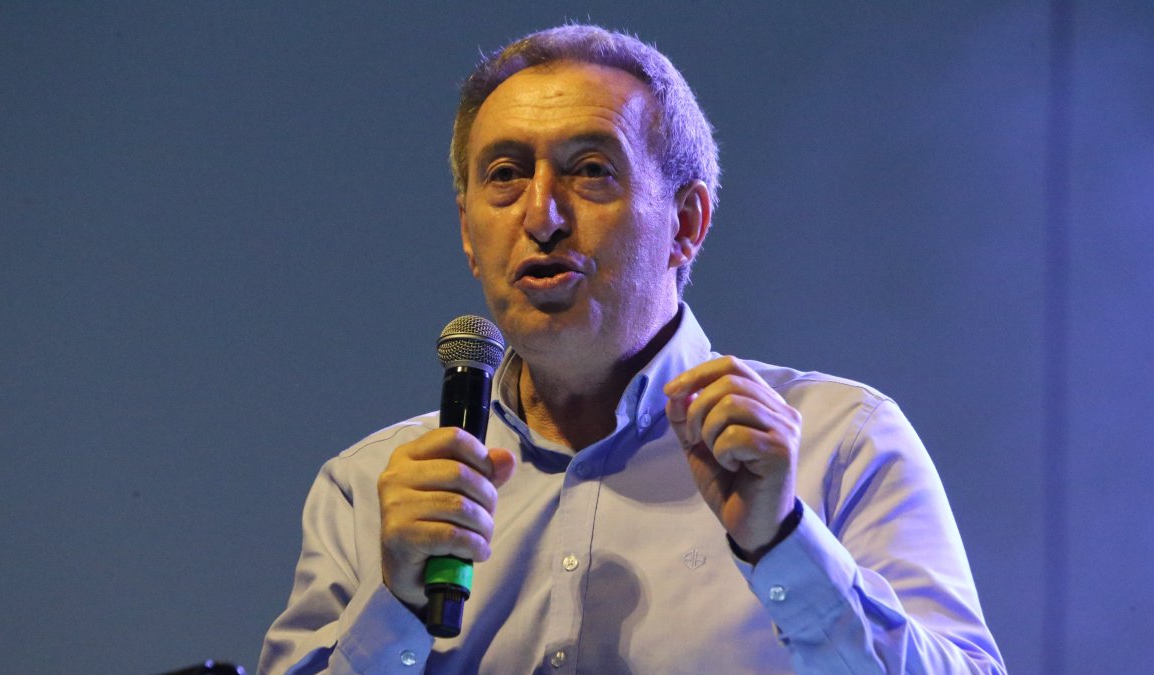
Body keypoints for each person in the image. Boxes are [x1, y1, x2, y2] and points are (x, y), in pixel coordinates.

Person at [259, 25, 1005, 674]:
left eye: (590, 171)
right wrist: (395, 604)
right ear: (467, 233)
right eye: (506, 175)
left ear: (685, 223)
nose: (542, 216)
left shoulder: (839, 443)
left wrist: (784, 542)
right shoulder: (367, 489)